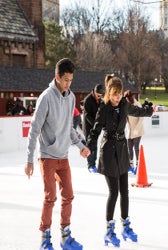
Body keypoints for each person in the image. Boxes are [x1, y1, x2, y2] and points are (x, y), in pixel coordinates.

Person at [24, 58, 90, 250]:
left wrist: (80, 146)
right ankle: (45, 238)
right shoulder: (46, 97)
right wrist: (29, 160)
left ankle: (65, 236)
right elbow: (34, 130)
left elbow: (69, 127)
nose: (69, 84)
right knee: (50, 197)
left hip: (63, 156)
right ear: (57, 77)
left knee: (68, 195)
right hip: (47, 155)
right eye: (66, 80)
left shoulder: (70, 98)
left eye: (71, 80)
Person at [86, 75, 154, 247]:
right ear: (109, 93)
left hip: (122, 151)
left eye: (119, 94)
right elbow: (95, 131)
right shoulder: (104, 108)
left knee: (125, 191)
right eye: (114, 94)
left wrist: (149, 110)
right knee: (114, 192)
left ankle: (126, 226)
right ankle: (109, 230)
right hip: (108, 152)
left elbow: (137, 111)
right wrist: (88, 147)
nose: (117, 97)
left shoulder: (124, 104)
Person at [82, 83, 105, 173]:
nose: (99, 96)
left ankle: (94, 164)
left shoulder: (100, 100)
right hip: (88, 127)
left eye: (101, 95)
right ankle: (90, 165)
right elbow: (87, 115)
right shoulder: (88, 100)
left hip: (96, 126)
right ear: (94, 92)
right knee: (90, 145)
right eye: (98, 95)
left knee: (95, 145)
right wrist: (96, 124)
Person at [126, 92, 144, 174]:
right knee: (129, 148)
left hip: (137, 130)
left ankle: (138, 165)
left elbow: (141, 117)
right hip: (129, 131)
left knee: (136, 147)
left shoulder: (138, 105)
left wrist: (136, 128)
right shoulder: (126, 105)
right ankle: (131, 165)